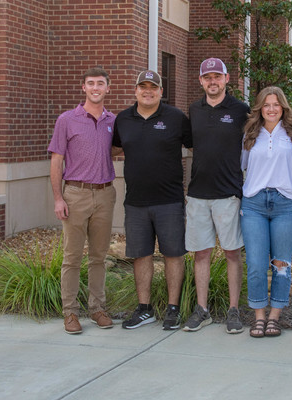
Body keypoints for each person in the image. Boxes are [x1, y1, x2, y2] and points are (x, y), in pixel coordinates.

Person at [112, 70, 191, 330]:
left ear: (161, 91)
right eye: (143, 87)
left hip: (169, 200)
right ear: (135, 90)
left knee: (173, 254)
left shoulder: (176, 118)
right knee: (141, 255)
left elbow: (194, 147)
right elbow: (112, 148)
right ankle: (144, 309)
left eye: (153, 87)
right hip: (135, 202)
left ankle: (173, 309)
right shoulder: (123, 119)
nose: (148, 91)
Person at [183, 58, 250, 334]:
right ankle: (202, 310)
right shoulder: (194, 110)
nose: (212, 81)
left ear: (227, 78)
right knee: (202, 254)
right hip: (198, 193)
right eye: (207, 77)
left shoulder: (240, 111)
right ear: (201, 81)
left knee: (233, 253)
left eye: (217, 76)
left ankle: (234, 310)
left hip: (228, 194)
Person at [48, 67, 117, 334]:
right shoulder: (67, 119)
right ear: (84, 88)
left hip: (105, 193)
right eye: (91, 83)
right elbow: (56, 160)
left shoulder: (114, 120)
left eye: (101, 83)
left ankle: (98, 308)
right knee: (72, 257)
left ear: (108, 88)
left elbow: (120, 147)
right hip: (75, 194)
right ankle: (70, 313)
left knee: (99, 256)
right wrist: (58, 198)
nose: (96, 87)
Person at [240, 86, 292, 338]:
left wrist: (289, 169)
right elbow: (244, 165)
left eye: (276, 104)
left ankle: (275, 316)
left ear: (283, 107)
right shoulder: (250, 133)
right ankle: (258, 315)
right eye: (266, 104)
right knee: (256, 263)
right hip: (254, 203)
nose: (271, 109)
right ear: (259, 108)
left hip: (285, 203)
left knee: (281, 263)